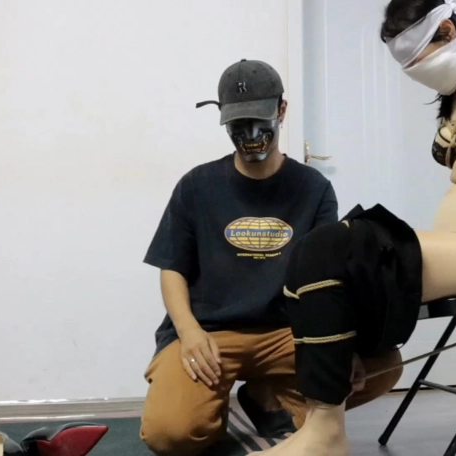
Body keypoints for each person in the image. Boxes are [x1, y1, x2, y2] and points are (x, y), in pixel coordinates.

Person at [253, 1, 456, 455]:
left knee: (337, 249)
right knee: (318, 249)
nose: (415, 72)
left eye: (418, 59)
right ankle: (325, 415)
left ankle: (325, 435)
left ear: (447, 29)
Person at [138, 59, 404, 456]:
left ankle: (267, 397)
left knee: (384, 365)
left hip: (288, 334)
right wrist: (189, 332)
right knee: (170, 434)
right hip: (211, 334)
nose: (250, 134)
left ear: (282, 110)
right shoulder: (196, 186)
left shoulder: (314, 189)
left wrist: (342, 343)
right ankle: (214, 409)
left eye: (260, 119)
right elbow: (171, 267)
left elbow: (327, 281)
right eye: (238, 123)